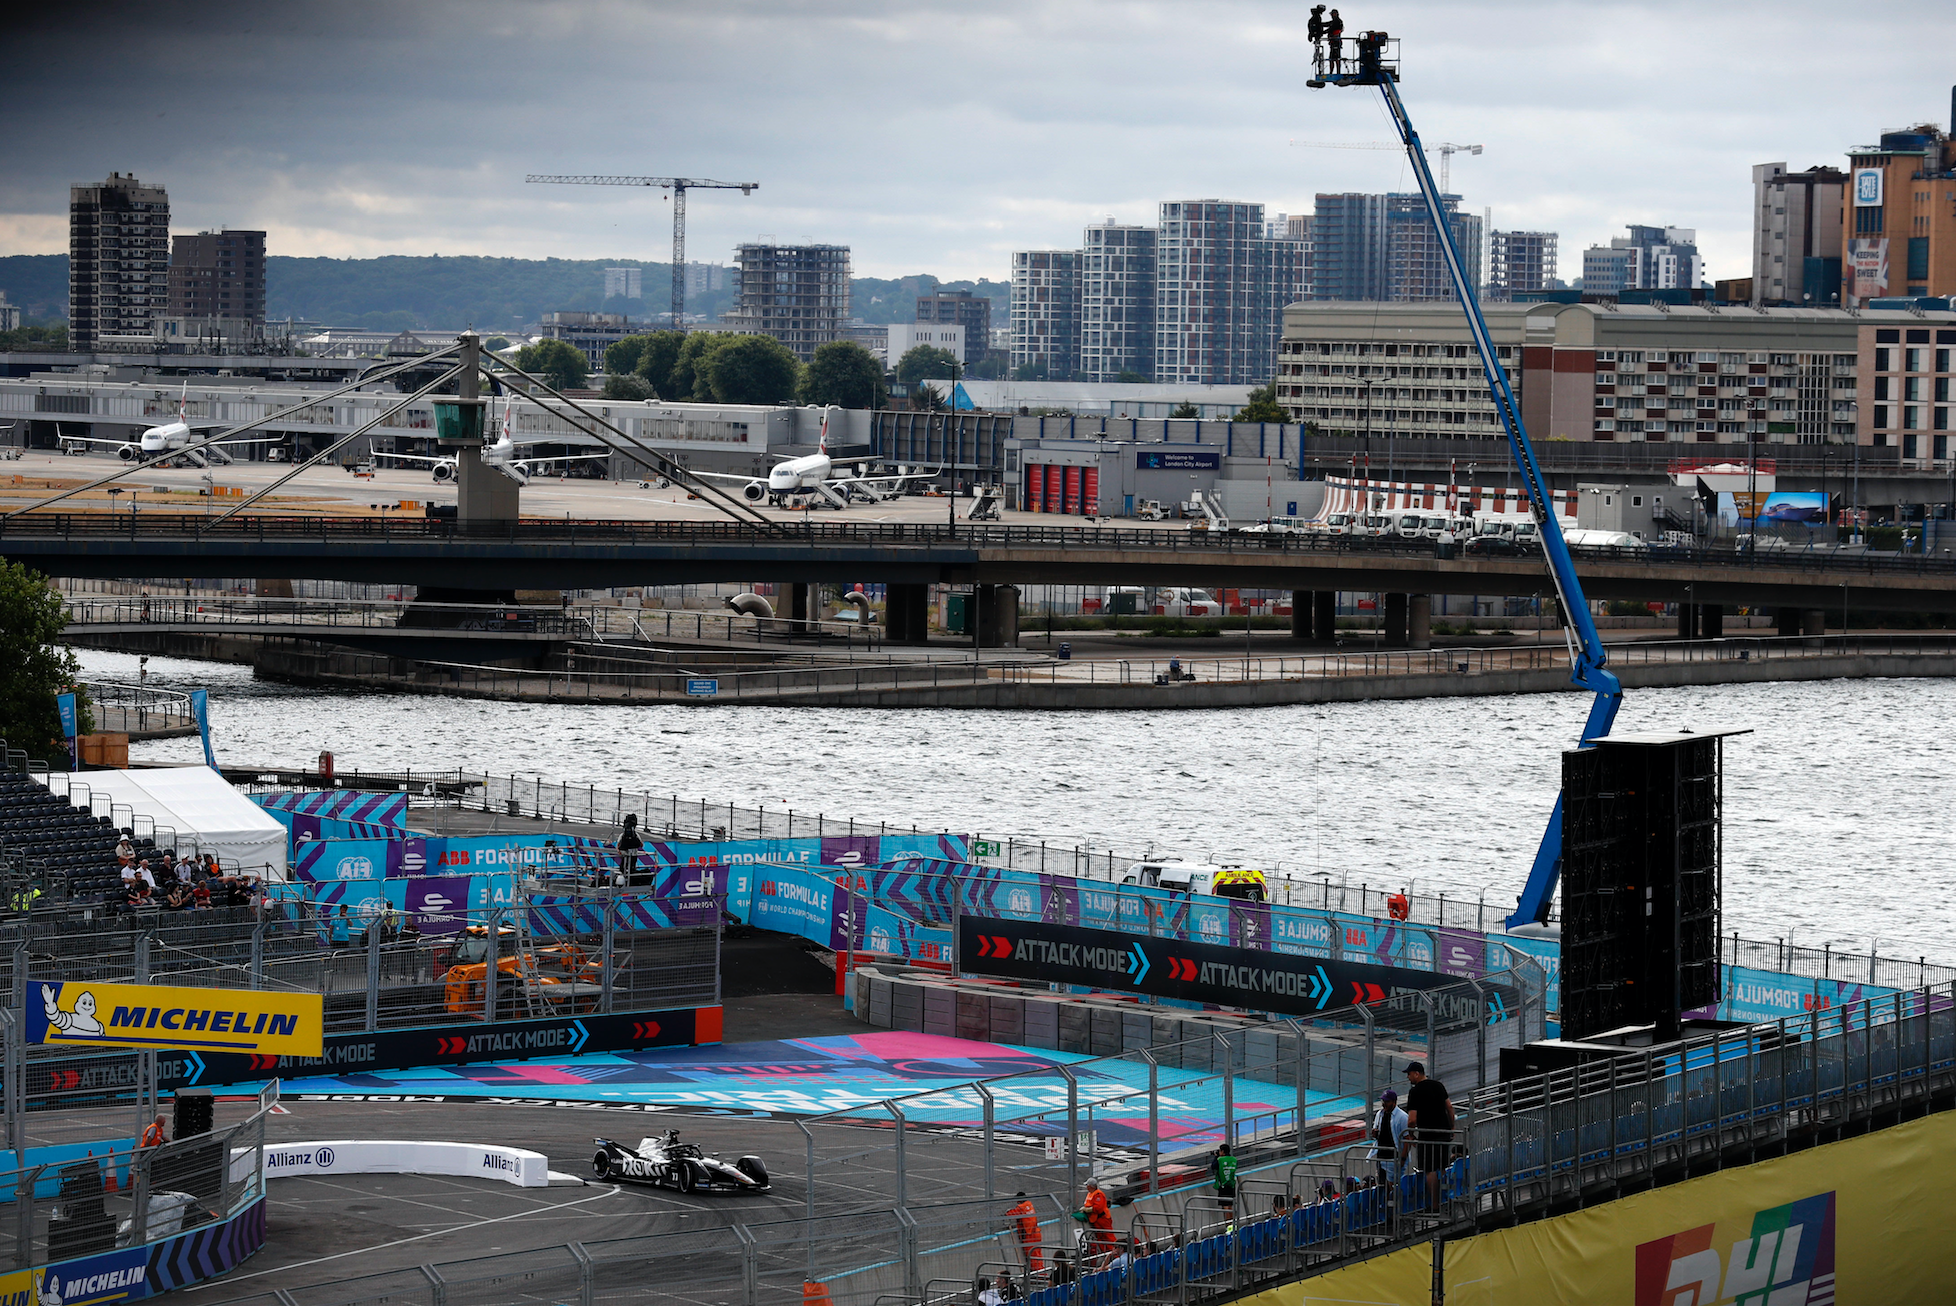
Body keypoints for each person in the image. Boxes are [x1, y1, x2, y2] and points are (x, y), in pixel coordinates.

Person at [1401, 1061, 1455, 1211]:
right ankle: (1448, 1199)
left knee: (1430, 1170)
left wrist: (1411, 1135)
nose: (1408, 1077)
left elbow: (1412, 1119)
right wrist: (1452, 1127)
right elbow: (1449, 1107)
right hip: (1443, 1133)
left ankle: (1435, 1205)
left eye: (1409, 1074)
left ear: (1417, 1073)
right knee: (1443, 1166)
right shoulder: (1438, 1085)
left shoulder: (1415, 1092)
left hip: (1427, 1136)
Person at [1369, 1087, 1409, 1187]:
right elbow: (1376, 1134)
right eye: (1383, 1101)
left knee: (1393, 1185)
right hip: (1381, 1156)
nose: (1384, 1104)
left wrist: (1403, 1158)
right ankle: (1385, 1202)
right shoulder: (1380, 1114)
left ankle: (1394, 1202)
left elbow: (1407, 1140)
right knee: (1382, 1184)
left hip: (1394, 1157)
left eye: (1387, 1101)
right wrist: (1374, 1134)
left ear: (1394, 1102)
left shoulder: (1402, 1117)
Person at [1077, 1179, 1114, 1269]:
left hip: (1103, 1219)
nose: (1086, 1187)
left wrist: (1088, 1210)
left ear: (1091, 1186)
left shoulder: (1098, 1194)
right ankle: (1107, 1256)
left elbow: (1098, 1208)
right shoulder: (1090, 1194)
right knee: (1100, 1239)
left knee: (1109, 1237)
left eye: (1087, 1185)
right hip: (1095, 1220)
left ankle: (1115, 1255)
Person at [1007, 1191, 1043, 1275]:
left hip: (1029, 1235)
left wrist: (1007, 1213)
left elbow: (1012, 1214)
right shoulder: (1029, 1204)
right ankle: (1041, 1272)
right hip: (1036, 1233)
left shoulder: (1021, 1207)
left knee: (1032, 1256)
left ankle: (1039, 1275)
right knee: (1038, 1254)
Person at [616, 813, 645, 886]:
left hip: (624, 856)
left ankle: (623, 882)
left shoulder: (622, 835)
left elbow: (618, 846)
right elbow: (641, 845)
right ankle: (631, 882)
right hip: (633, 855)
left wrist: (621, 851)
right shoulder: (636, 835)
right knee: (632, 870)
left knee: (623, 869)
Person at [1210, 1142, 1237, 1215]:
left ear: (1222, 1152)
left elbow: (1213, 1166)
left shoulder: (1220, 1160)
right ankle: (1232, 1224)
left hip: (1223, 1185)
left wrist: (1216, 1157)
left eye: (1220, 1151)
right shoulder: (1234, 1159)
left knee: (1225, 1206)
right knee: (1230, 1206)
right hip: (1231, 1184)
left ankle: (1228, 1224)